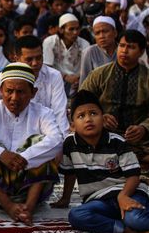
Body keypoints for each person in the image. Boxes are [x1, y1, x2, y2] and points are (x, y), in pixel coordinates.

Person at [0, 63, 63, 224]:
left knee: (42, 144)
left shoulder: (43, 113)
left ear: (33, 93)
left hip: (30, 185)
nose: (14, 98)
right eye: (9, 91)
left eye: (21, 92)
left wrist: (26, 157)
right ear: (1, 90)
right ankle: (8, 206)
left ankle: (28, 208)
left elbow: (57, 140)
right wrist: (1, 154)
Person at [52, 90, 148, 233]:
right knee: (77, 215)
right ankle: (125, 230)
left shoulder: (116, 141)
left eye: (93, 113)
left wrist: (123, 196)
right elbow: (69, 173)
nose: (88, 119)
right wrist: (65, 198)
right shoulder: (70, 143)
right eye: (81, 116)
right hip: (99, 200)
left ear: (103, 118)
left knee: (136, 220)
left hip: (129, 193)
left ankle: (131, 222)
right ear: (73, 125)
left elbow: (134, 175)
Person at [0, 35, 69, 135]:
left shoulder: (54, 76)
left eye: (39, 57)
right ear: (16, 59)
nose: (35, 63)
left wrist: (63, 141)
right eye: (29, 59)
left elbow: (60, 113)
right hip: (6, 135)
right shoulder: (4, 78)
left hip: (43, 136)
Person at [79, 30, 149, 167]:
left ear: (141, 52)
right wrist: (99, 116)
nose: (124, 51)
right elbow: (81, 101)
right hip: (102, 134)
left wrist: (144, 128)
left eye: (131, 47)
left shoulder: (147, 77)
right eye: (122, 45)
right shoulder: (99, 74)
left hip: (140, 139)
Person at [42, 13, 90, 96]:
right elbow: (47, 66)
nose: (75, 32)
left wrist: (78, 79)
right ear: (61, 30)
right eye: (71, 29)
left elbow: (87, 67)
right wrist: (65, 77)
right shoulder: (49, 42)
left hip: (78, 82)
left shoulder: (84, 44)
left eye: (77, 29)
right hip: (55, 81)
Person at [79, 16, 117, 82]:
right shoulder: (89, 52)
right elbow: (84, 81)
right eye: (97, 33)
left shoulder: (123, 50)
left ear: (115, 33)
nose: (101, 36)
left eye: (105, 31)